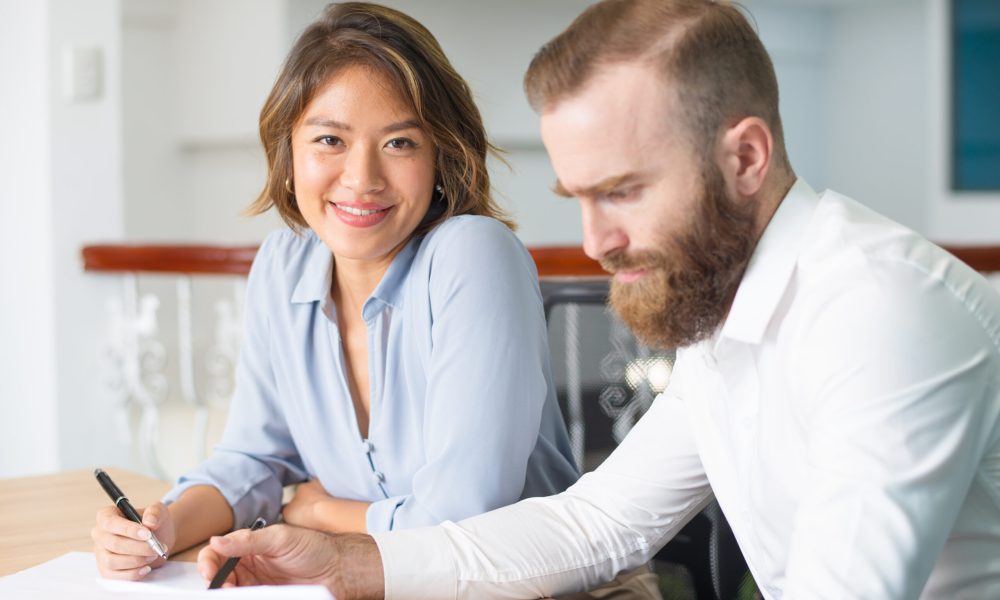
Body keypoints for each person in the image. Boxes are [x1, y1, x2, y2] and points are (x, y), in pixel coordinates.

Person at [193, 0, 1000, 598]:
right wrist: (347, 561)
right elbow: (597, 524)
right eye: (579, 196)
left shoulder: (879, 310)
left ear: (745, 158)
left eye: (622, 191)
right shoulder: (729, 313)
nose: (594, 242)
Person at [90, 1, 580, 582]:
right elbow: (253, 460)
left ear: (441, 157)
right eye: (329, 140)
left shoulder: (475, 254)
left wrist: (320, 512)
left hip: (531, 590)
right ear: (288, 154)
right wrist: (165, 526)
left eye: (399, 143)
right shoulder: (281, 265)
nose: (362, 178)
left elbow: (463, 523)